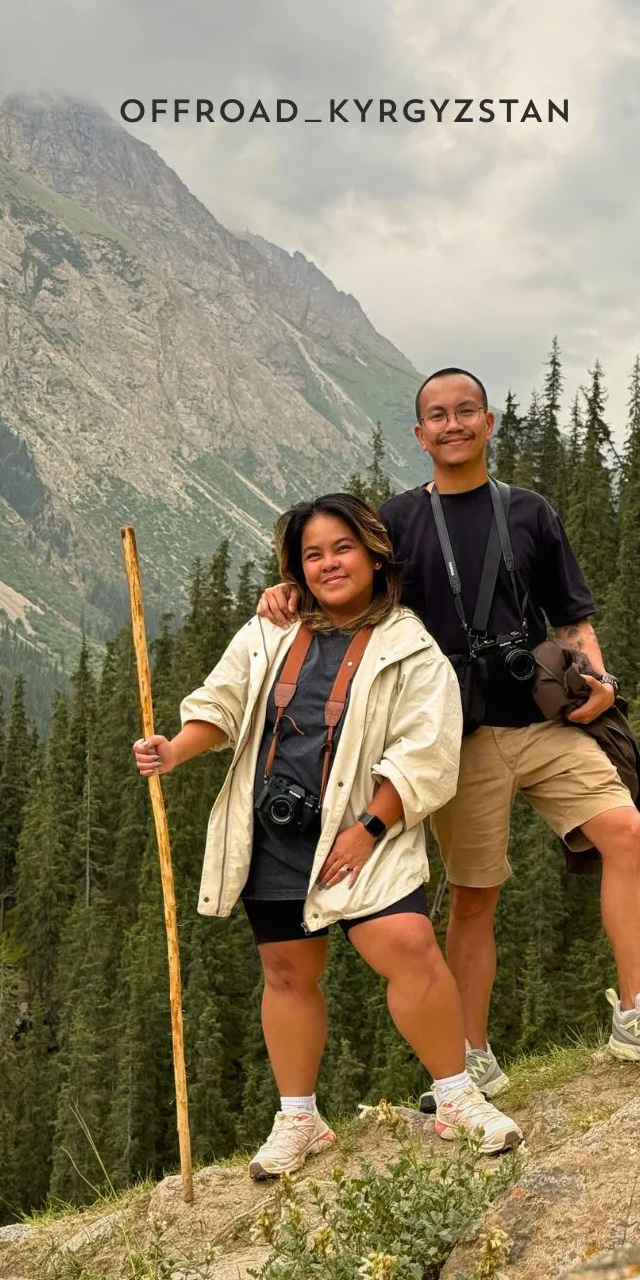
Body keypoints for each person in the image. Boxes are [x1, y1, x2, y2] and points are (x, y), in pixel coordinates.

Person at [258, 371, 640, 1100]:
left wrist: (597, 685)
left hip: (544, 723)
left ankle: (639, 1012)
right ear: (419, 434)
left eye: (465, 411)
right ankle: (472, 1054)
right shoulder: (397, 522)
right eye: (436, 416)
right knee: (475, 896)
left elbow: (572, 620)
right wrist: (288, 589)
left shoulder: (530, 512)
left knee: (627, 833)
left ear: (488, 422)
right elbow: (342, 584)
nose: (452, 425)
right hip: (454, 739)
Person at [134, 492, 522, 1180]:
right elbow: (222, 704)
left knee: (408, 947)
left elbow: (425, 751)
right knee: (286, 973)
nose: (329, 564)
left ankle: (458, 1097)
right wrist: (174, 749)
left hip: (365, 830)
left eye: (342, 548)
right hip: (273, 830)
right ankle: (299, 1118)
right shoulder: (267, 634)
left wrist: (369, 829)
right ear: (295, 568)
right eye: (312, 554)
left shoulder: (410, 647)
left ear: (374, 554)